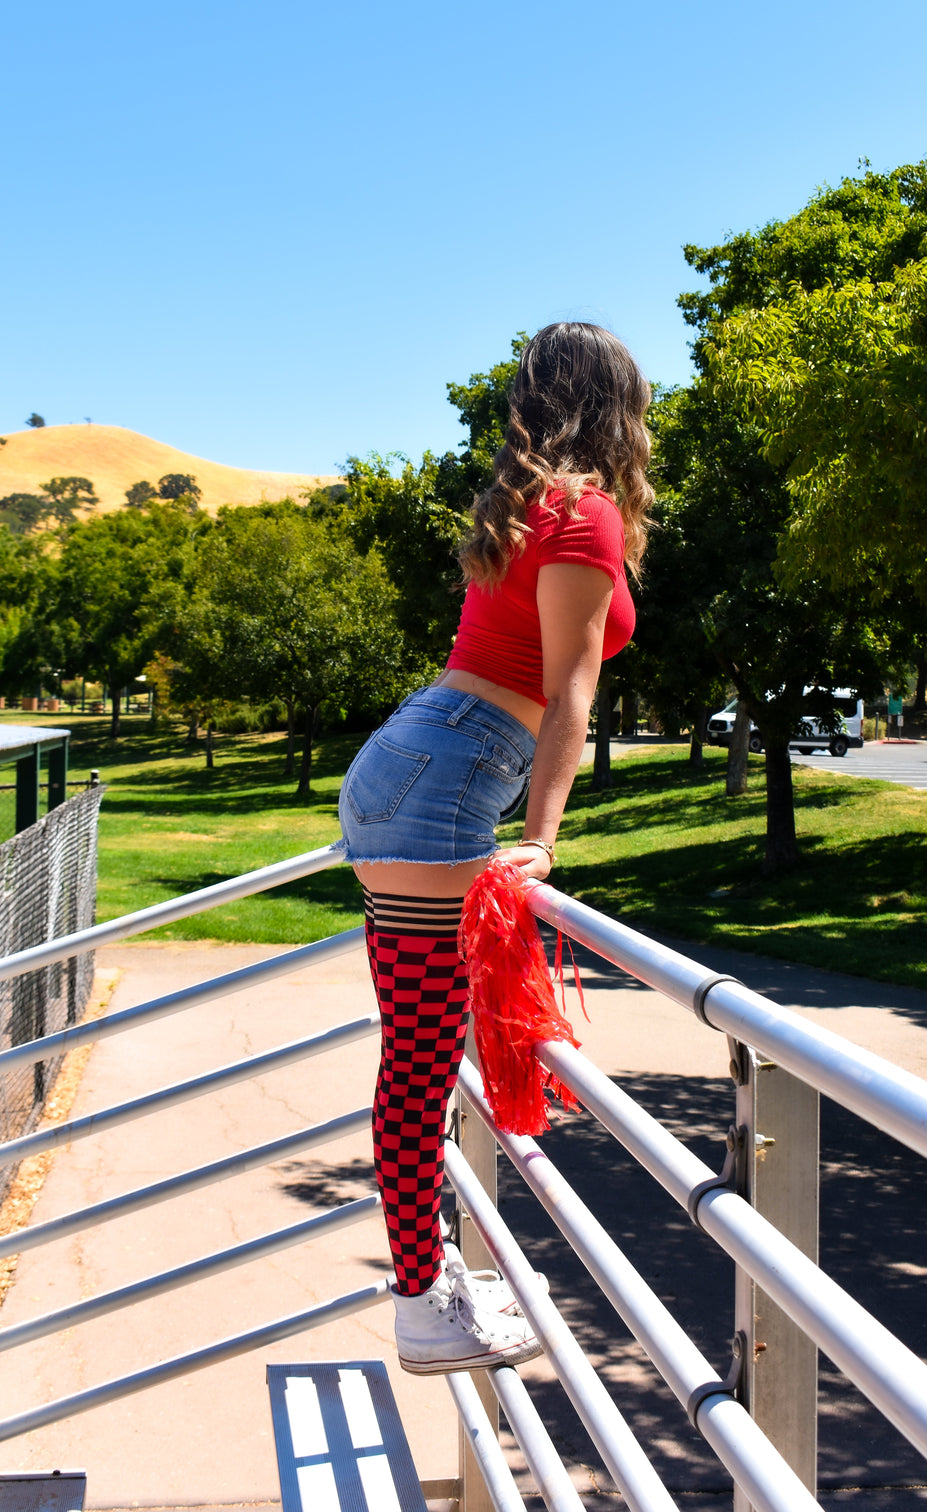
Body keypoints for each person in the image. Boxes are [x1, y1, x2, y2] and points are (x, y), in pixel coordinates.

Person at [337, 321, 653, 1374]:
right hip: (444, 777)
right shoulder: (583, 512)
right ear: (618, 404)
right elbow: (569, 696)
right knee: (421, 1062)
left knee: (417, 1057)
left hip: (422, 763)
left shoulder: (529, 502)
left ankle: (431, 1279)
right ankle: (423, 1304)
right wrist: (543, 841)